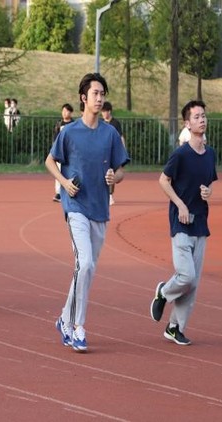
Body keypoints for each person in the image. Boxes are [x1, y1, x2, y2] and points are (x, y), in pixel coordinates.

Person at [45, 73, 130, 352]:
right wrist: (64, 182)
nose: (100, 98)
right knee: (85, 263)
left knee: (86, 269)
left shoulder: (110, 134)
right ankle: (78, 327)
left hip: (99, 209)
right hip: (76, 207)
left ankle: (64, 318)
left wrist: (114, 177)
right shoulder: (69, 132)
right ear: (84, 97)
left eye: (102, 93)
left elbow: (121, 170)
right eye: (95, 93)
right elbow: (50, 161)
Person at [150, 99, 217, 346]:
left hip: (201, 223)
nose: (202, 120)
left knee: (193, 283)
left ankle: (174, 327)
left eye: (203, 116)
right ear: (187, 124)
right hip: (181, 222)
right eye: (196, 117)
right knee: (186, 276)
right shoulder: (181, 154)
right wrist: (180, 204)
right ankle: (163, 292)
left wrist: (208, 192)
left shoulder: (210, 154)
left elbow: (209, 183)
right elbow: (163, 180)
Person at [101, 101, 125, 205]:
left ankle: (110, 195)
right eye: (102, 112)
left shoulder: (115, 123)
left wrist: (123, 149)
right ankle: (103, 194)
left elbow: (120, 137)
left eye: (105, 111)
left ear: (109, 111)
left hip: (113, 151)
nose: (103, 114)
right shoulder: (101, 123)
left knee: (111, 172)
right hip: (103, 151)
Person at [52, 103, 74, 202]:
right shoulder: (59, 124)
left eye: (67, 111)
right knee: (58, 172)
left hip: (70, 152)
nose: (64, 113)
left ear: (71, 112)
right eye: (63, 111)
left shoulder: (74, 125)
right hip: (60, 152)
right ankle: (59, 193)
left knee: (71, 172)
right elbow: (55, 138)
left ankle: (71, 191)